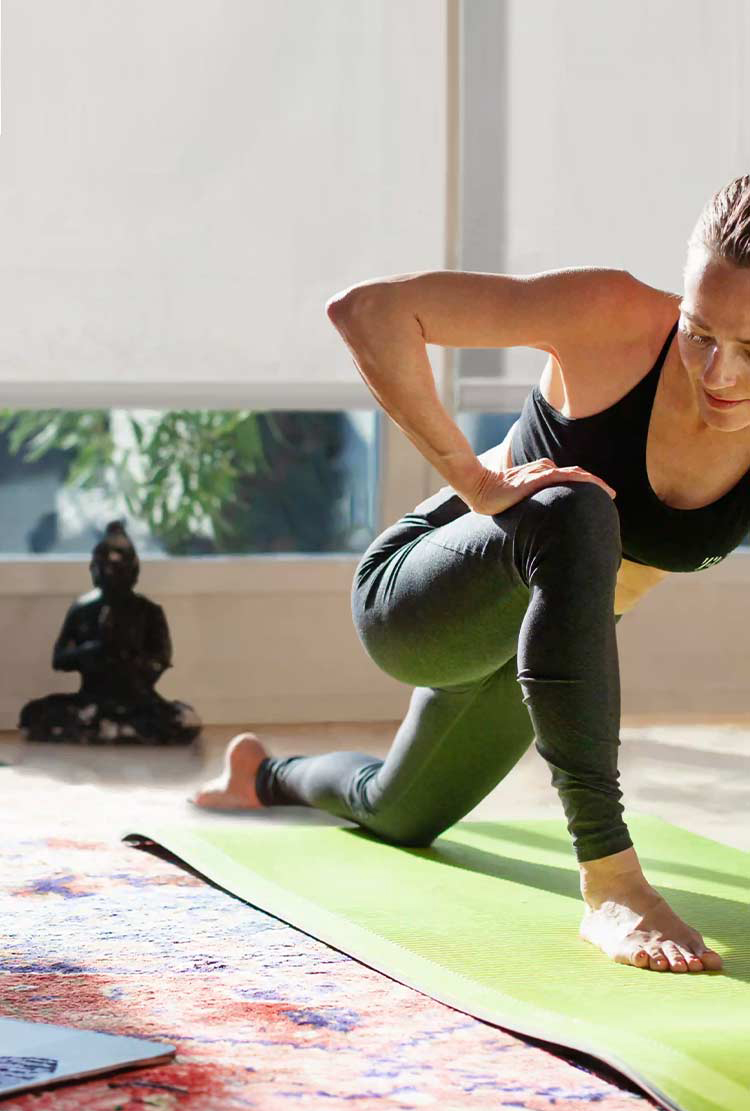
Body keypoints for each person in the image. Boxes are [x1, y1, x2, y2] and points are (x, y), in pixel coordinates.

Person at [192, 176, 750, 975]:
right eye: (701, 332)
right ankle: (613, 885)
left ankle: (264, 776)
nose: (720, 373)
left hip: (545, 656)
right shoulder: (617, 317)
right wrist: (477, 481)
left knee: (399, 815)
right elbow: (371, 311)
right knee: (577, 508)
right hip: (423, 600)